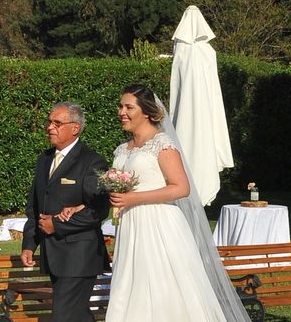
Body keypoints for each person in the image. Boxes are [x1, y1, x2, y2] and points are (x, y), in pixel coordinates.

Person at [104, 84, 250, 321]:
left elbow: (181, 187)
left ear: (147, 112)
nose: (122, 112)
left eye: (129, 107)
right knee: (133, 283)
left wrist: (133, 197)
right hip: (131, 226)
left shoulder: (162, 144)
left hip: (159, 225)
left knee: (164, 286)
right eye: (120, 106)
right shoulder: (122, 149)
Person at [21, 101, 110, 322]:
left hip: (79, 257)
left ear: (75, 128)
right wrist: (30, 244)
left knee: (64, 316)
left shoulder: (92, 162)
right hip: (54, 257)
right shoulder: (44, 159)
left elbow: (98, 210)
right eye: (49, 122)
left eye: (57, 123)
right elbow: (35, 206)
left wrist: (57, 225)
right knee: (77, 316)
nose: (50, 127)